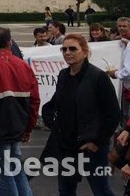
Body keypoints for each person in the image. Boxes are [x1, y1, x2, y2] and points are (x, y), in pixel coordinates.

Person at [42, 34, 121, 195]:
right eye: (64, 49)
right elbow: (56, 102)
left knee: (101, 190)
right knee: (65, 190)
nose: (67, 53)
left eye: (73, 49)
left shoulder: (98, 77)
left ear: (85, 52)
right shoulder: (63, 75)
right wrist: (51, 121)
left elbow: (112, 114)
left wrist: (97, 142)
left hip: (91, 146)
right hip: (66, 144)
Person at [0, 27, 39, 196]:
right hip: (18, 126)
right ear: (10, 42)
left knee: (3, 172)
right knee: (15, 167)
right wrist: (28, 128)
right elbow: (35, 100)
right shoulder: (23, 66)